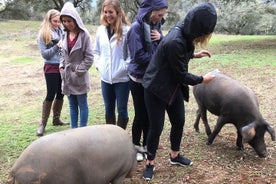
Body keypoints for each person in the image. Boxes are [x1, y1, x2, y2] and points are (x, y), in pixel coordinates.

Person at [142, 2, 218, 181]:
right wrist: (202, 79)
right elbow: (182, 75)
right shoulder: (176, 40)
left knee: (179, 121)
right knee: (156, 127)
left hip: (172, 87)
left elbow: (178, 55)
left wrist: (194, 54)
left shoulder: (184, 31)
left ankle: (175, 156)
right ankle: (150, 163)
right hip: (156, 88)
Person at [126, 0, 168, 161]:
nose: (160, 18)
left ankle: (146, 146)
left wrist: (161, 38)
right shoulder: (136, 28)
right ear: (150, 11)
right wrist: (159, 55)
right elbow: (138, 57)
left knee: (150, 115)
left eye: (162, 15)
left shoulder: (155, 26)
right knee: (140, 114)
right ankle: (135, 147)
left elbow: (162, 47)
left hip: (151, 79)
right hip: (138, 79)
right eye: (158, 15)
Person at [93, 0, 130, 129]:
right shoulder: (100, 30)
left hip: (122, 79)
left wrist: (124, 68)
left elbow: (131, 56)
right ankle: (110, 139)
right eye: (105, 12)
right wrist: (99, 66)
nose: (108, 15)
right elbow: (96, 51)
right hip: (105, 79)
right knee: (109, 109)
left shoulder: (127, 31)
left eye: (111, 12)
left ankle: (120, 138)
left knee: (122, 110)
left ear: (118, 12)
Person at [59, 2, 94, 128]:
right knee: (72, 106)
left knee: (82, 105)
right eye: (64, 21)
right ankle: (73, 132)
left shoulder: (84, 35)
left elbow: (89, 58)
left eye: (69, 20)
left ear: (75, 19)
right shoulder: (64, 34)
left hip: (79, 76)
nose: (67, 24)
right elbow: (62, 53)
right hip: (67, 76)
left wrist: (78, 71)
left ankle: (82, 131)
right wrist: (61, 67)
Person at [36, 9, 69, 136]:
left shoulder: (61, 30)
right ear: (49, 20)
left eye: (59, 21)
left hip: (62, 66)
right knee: (51, 93)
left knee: (61, 92)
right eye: (55, 21)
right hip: (50, 67)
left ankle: (56, 119)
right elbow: (45, 54)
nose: (57, 23)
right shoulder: (43, 34)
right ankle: (42, 124)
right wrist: (57, 46)